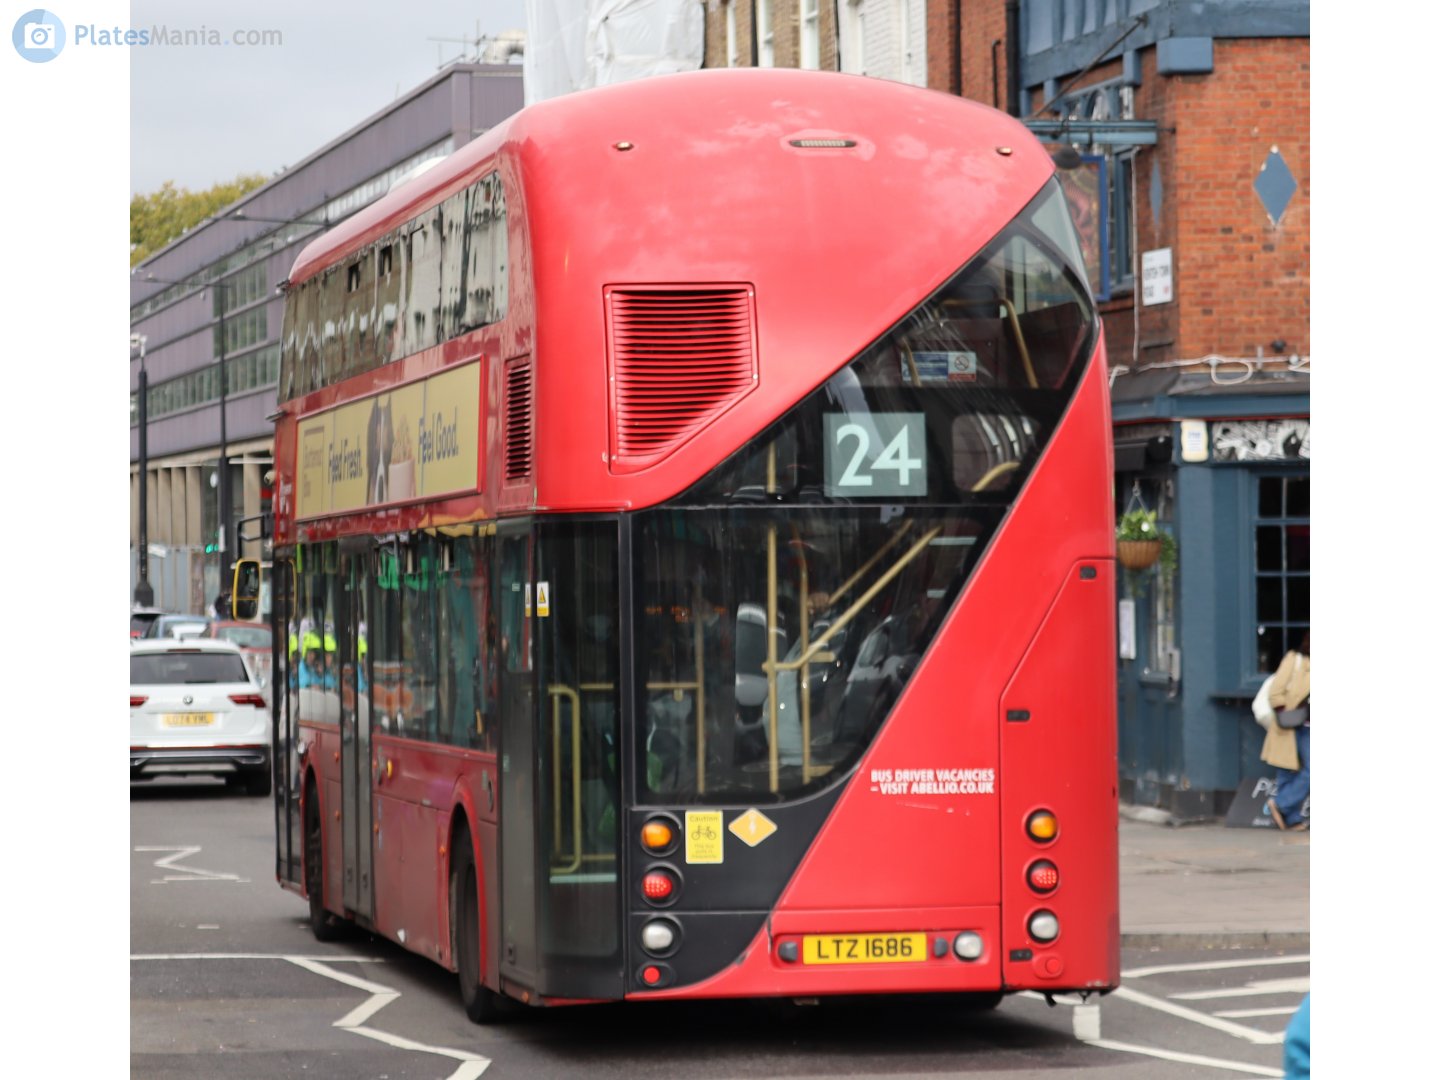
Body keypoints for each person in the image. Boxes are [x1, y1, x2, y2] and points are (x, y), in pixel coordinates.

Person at [1261, 632, 1310, 831]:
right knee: (1287, 771)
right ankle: (1288, 814)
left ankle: (1284, 810)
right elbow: (1275, 692)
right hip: (1292, 724)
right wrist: (1287, 715)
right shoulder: (1295, 659)